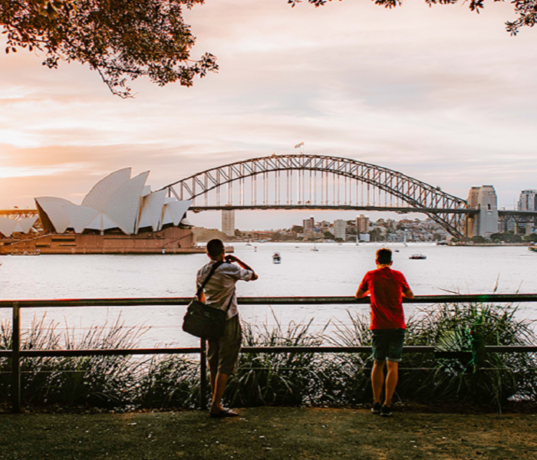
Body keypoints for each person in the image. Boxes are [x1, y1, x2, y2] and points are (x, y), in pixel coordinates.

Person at [196, 239, 258, 418]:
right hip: (228, 319)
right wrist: (237, 260)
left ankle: (215, 402)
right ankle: (216, 404)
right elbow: (253, 275)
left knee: (213, 361)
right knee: (227, 362)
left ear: (207, 254)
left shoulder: (201, 272)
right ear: (223, 251)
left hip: (210, 321)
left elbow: (201, 297)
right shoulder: (229, 269)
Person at [355, 247, 414, 417]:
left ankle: (375, 402)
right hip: (397, 324)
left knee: (378, 363)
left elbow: (358, 295)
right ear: (391, 262)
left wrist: (371, 292)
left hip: (378, 325)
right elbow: (410, 295)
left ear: (376, 261)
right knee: (393, 364)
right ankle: (387, 405)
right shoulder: (398, 275)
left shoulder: (370, 275)